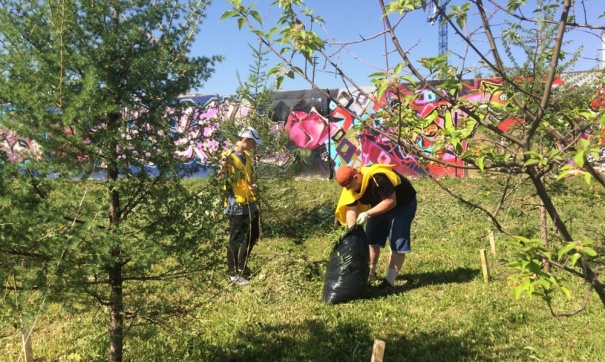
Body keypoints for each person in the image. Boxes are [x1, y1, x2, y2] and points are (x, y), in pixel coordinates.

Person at [334, 164, 417, 293]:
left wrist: (368, 213)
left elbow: (390, 202)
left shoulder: (378, 178)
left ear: (356, 177)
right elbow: (351, 209)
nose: (349, 189)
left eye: (349, 186)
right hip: (378, 203)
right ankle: (371, 273)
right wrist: (352, 233)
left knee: (397, 242)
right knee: (372, 239)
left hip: (402, 204)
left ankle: (389, 282)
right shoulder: (350, 186)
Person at [219, 126, 263, 286]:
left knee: (253, 235)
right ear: (245, 140)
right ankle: (232, 274)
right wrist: (224, 166)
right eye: (254, 143)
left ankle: (242, 266)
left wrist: (253, 185)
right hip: (236, 204)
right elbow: (221, 178)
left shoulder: (247, 157)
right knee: (235, 240)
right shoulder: (228, 156)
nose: (254, 146)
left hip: (250, 202)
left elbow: (249, 177)